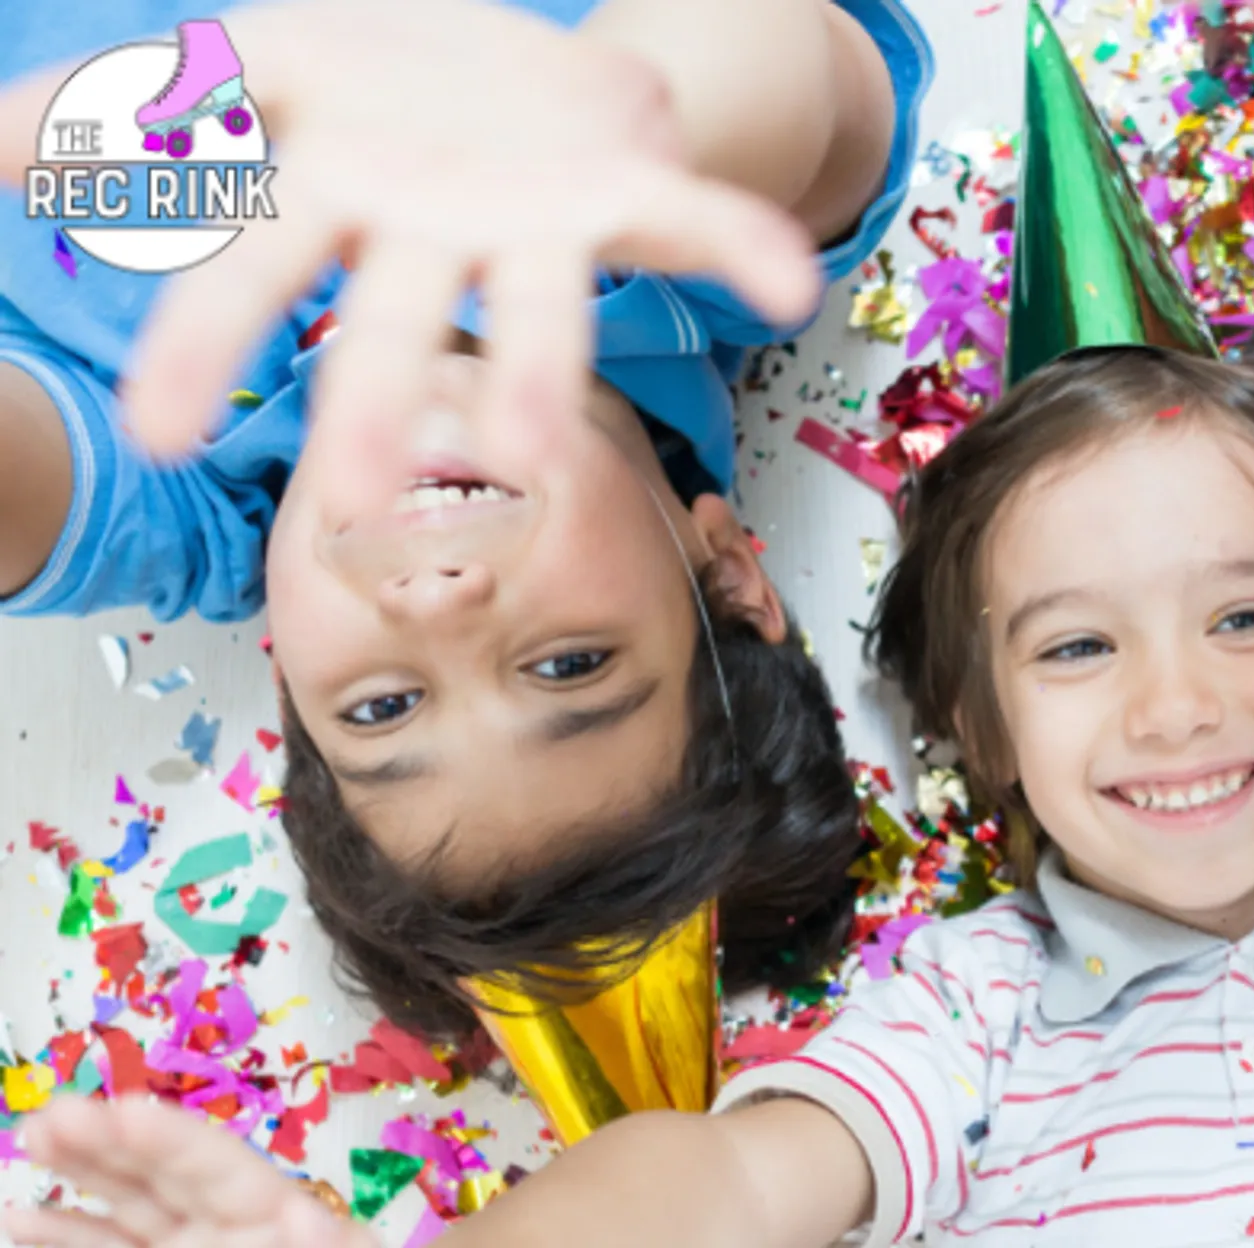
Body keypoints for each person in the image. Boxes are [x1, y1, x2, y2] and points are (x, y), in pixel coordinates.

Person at [19, 345, 1254, 1248]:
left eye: (1243, 621)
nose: (1171, 703)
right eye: (1074, 648)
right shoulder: (969, 1018)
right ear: (987, 735)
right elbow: (718, 1187)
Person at [0, 0, 933, 1034]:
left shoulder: (180, 488)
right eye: (571, 665)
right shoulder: (697, 256)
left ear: (292, 681)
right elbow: (772, 63)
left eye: (382, 709)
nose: (441, 606)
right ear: (724, 575)